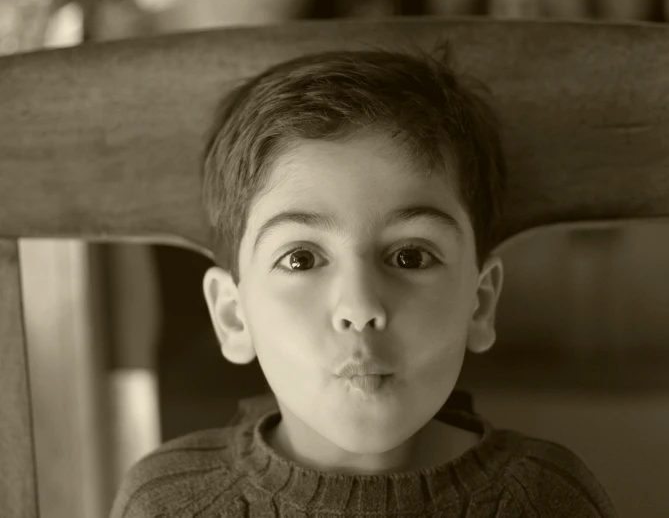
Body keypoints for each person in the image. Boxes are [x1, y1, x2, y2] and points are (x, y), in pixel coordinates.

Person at [110, 43, 619, 517]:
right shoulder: (170, 504)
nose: (359, 305)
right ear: (232, 314)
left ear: (480, 303)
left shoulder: (548, 501)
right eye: (301, 260)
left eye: (411, 256)